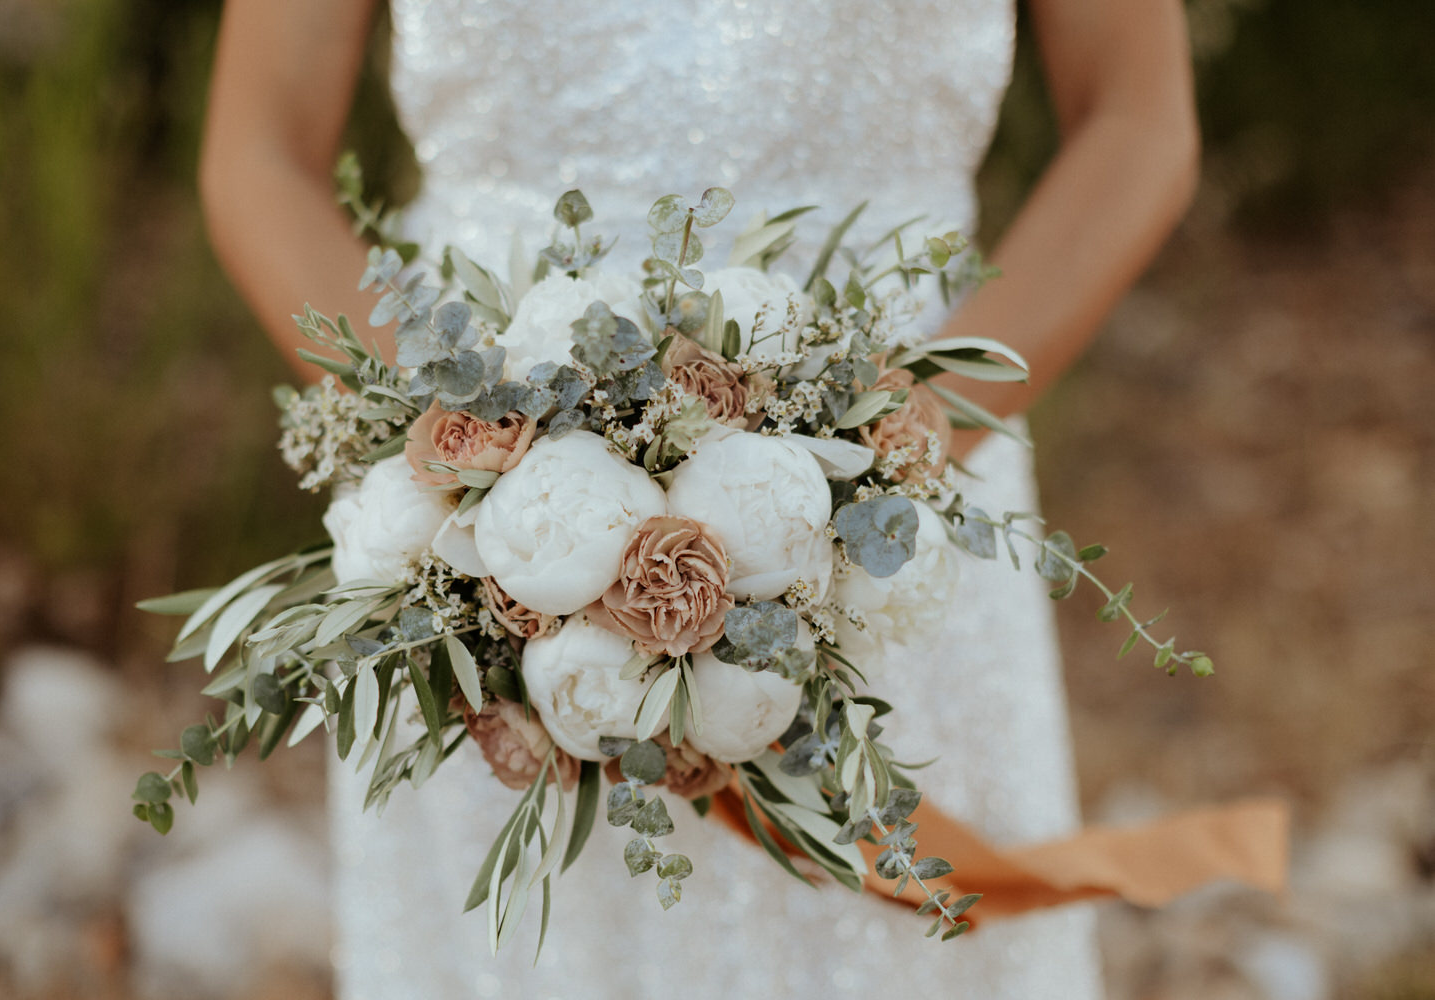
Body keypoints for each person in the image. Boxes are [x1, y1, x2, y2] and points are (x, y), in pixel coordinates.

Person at [200, 1, 1198, 997]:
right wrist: (482, 477)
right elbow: (263, 149)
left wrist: (885, 444)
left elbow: (1136, 119)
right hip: (489, 566)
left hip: (888, 513)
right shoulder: (485, 522)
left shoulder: (887, 478)